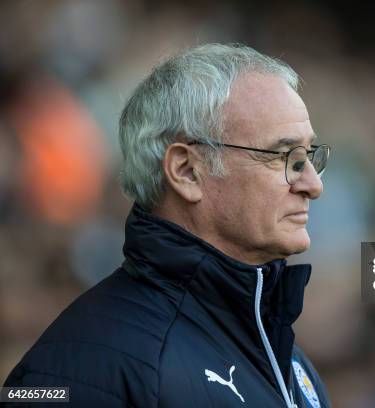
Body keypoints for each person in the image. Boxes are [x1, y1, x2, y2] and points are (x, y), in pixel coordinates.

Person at [4, 43, 331, 407]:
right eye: (284, 156)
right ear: (186, 171)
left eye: (309, 156)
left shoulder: (285, 357)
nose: (313, 185)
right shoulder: (85, 364)